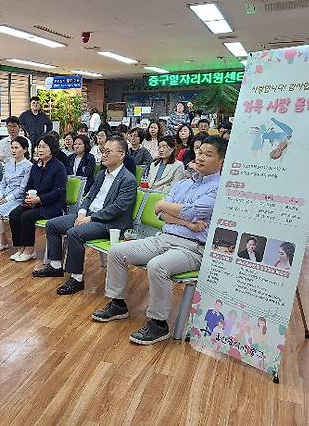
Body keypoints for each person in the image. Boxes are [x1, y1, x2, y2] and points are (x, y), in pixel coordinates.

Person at [92, 136, 228, 345]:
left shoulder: (220, 188)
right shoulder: (183, 184)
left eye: (208, 155)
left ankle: (159, 323)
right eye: (200, 152)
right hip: (164, 237)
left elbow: (191, 211)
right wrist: (186, 221)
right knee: (117, 252)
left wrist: (172, 211)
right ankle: (118, 304)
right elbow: (160, 213)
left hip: (193, 248)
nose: (200, 157)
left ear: (221, 161)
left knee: (157, 267)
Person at [35, 137, 136, 295]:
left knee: (74, 233)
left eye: (108, 152)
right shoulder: (102, 174)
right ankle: (55, 266)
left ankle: (77, 279)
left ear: (121, 154)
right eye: (103, 151)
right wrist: (82, 212)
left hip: (109, 223)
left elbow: (117, 208)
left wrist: (90, 218)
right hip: (89, 215)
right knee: (52, 224)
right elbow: (89, 196)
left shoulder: (128, 179)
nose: (104, 155)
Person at [8, 135, 67, 262]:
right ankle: (21, 248)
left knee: (27, 216)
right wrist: (28, 196)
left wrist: (39, 199)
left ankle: (30, 250)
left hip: (53, 205)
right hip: (35, 202)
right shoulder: (36, 165)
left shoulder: (59, 167)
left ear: (52, 148)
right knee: (14, 214)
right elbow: (29, 185)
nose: (40, 149)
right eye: (39, 146)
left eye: (44, 146)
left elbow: (58, 192)